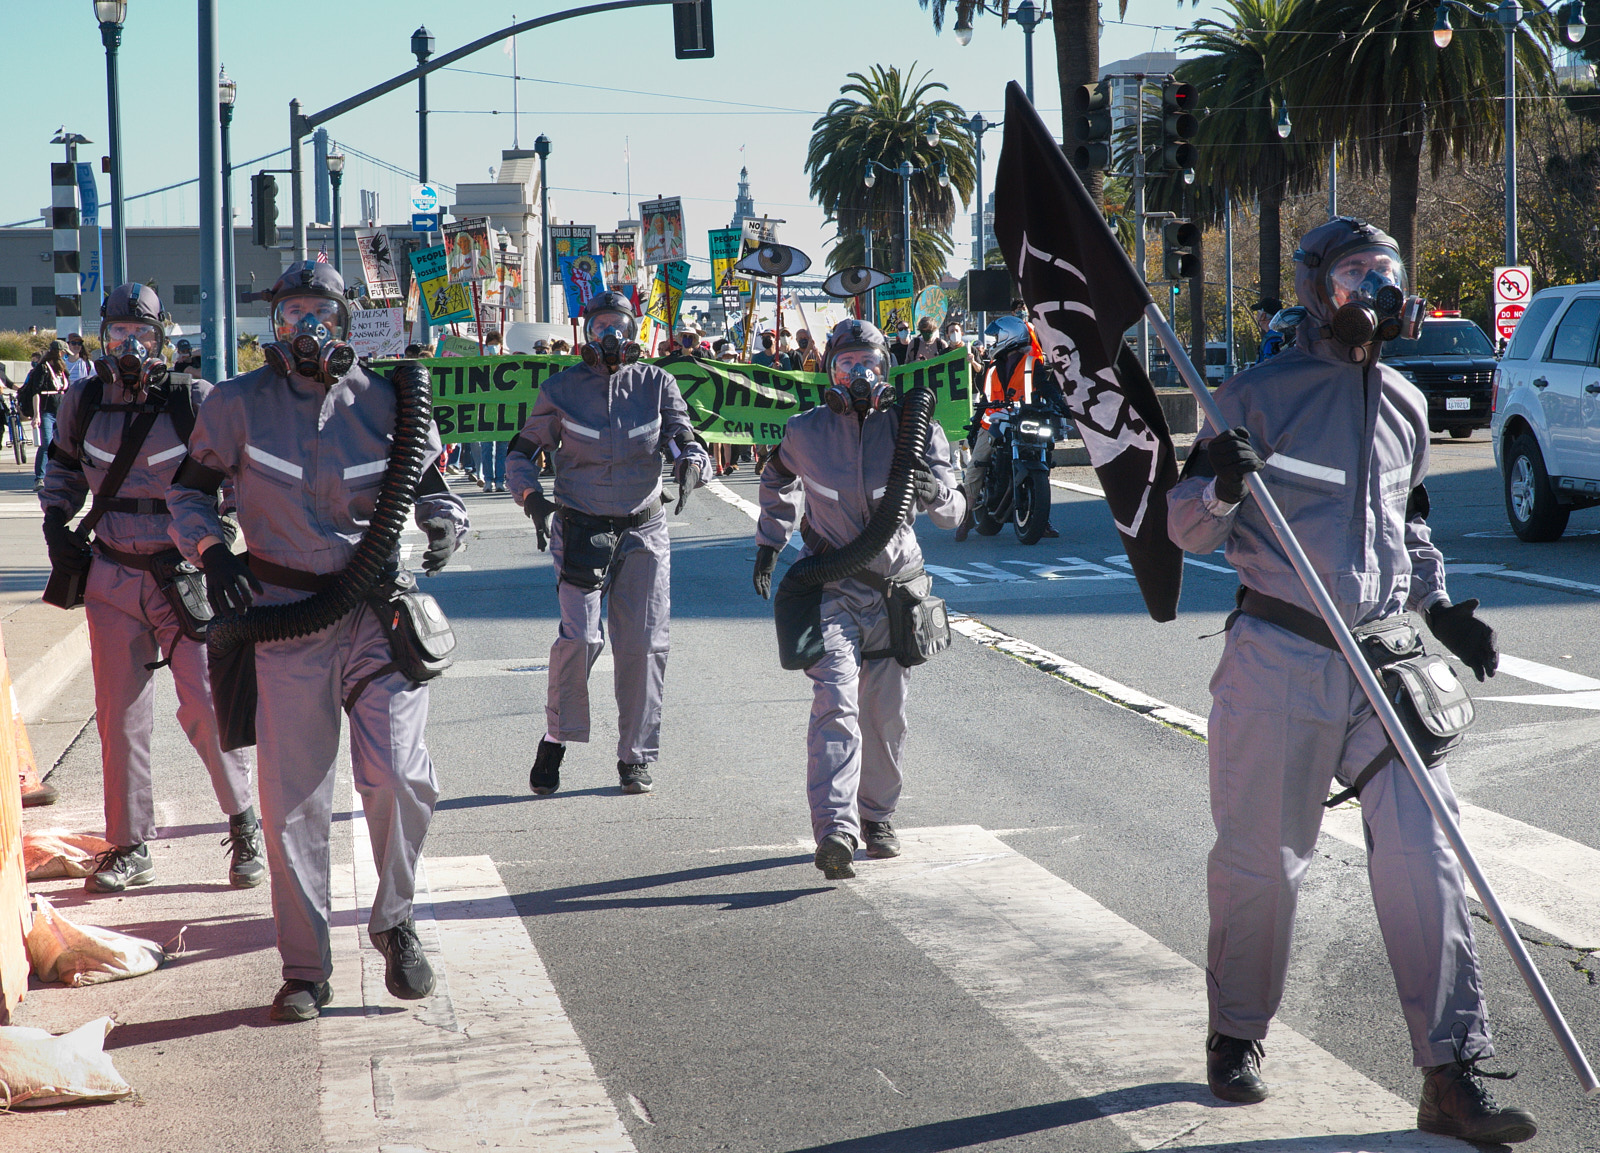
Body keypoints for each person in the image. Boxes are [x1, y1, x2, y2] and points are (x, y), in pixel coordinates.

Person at [1166, 218, 1535, 1143]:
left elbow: (1408, 525)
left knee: (1430, 853)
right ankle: (1235, 1033)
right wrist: (1217, 480)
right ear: (1314, 287)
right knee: (1265, 864)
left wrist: (1443, 607)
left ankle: (1450, 1072)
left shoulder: (1407, 402)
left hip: (1381, 662)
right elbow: (1182, 531)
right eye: (1353, 272)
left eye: (1386, 271)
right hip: (1279, 657)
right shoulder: (1254, 392)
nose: (1374, 286)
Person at [166, 261, 469, 1023]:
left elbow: (435, 489)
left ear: (347, 318)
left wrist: (444, 523)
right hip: (284, 619)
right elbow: (188, 494)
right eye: (291, 313)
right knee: (292, 802)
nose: (305, 328)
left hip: (376, 614)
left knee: (399, 775)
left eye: (320, 313)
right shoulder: (236, 405)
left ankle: (395, 920)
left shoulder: (395, 400)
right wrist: (213, 551)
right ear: (272, 325)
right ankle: (305, 969)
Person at [40, 284, 263, 895]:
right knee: (119, 718)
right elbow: (60, 466)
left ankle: (244, 823)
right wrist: (55, 520)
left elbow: (233, 482)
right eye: (117, 333)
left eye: (141, 334)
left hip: (185, 576)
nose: (129, 345)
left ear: (163, 336)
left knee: (206, 707)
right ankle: (129, 844)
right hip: (112, 576)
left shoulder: (196, 402)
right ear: (101, 336)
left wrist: (223, 546)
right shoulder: (82, 400)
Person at [752, 319, 965, 880]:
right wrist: (770, 542)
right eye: (846, 364)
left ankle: (877, 817)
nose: (858, 373)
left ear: (885, 369)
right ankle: (836, 831)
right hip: (832, 592)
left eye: (867, 362)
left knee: (885, 717)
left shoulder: (913, 427)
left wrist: (933, 490)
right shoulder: (805, 431)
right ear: (829, 371)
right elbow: (774, 481)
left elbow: (955, 512)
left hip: (896, 593)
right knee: (836, 705)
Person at [506, 291, 710, 798]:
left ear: (635, 328)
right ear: (585, 332)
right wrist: (530, 497)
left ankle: (634, 758)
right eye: (601, 325)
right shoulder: (560, 389)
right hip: (580, 528)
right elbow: (522, 452)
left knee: (642, 646)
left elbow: (684, 436)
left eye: (619, 324)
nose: (611, 334)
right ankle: (557, 735)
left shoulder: (657, 383)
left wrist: (691, 464)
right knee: (582, 639)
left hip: (644, 529)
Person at [20, 341, 70, 490]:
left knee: (61, 445)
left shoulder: (62, 369)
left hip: (60, 411)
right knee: (46, 444)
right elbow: (36, 392)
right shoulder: (43, 368)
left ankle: (57, 476)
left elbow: (67, 390)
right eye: (64, 353)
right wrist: (37, 415)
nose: (65, 355)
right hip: (46, 412)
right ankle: (40, 478)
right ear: (58, 352)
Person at [1252, 297, 1286, 363]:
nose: (1256, 317)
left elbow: (1268, 367)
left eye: (1258, 313)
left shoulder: (1271, 339)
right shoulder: (1283, 334)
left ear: (1263, 316)